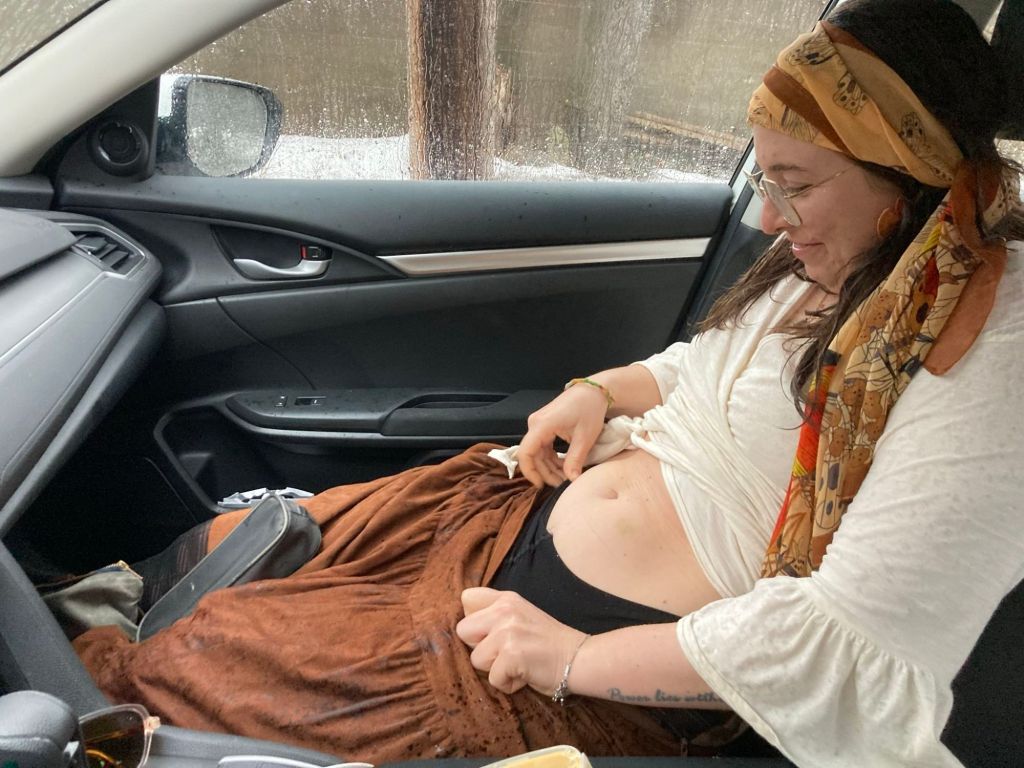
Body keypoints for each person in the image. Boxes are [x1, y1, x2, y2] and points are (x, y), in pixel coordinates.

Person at [73, 1, 1024, 766]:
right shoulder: (866, 259)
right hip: (506, 523)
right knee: (226, 559)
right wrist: (599, 391)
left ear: (909, 170)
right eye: (763, 182)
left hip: (583, 658)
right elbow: (703, 368)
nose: (768, 219)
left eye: (797, 185)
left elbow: (840, 638)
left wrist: (573, 657)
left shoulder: (987, 337)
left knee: (187, 686)